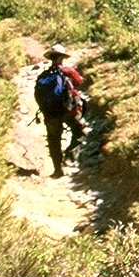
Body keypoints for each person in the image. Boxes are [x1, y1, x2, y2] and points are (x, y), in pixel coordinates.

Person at [37, 46, 88, 178]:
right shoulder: (67, 71)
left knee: (54, 140)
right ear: (61, 58)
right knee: (80, 131)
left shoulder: (43, 75)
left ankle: (57, 170)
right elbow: (79, 81)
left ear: (50, 58)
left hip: (50, 113)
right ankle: (69, 157)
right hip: (68, 111)